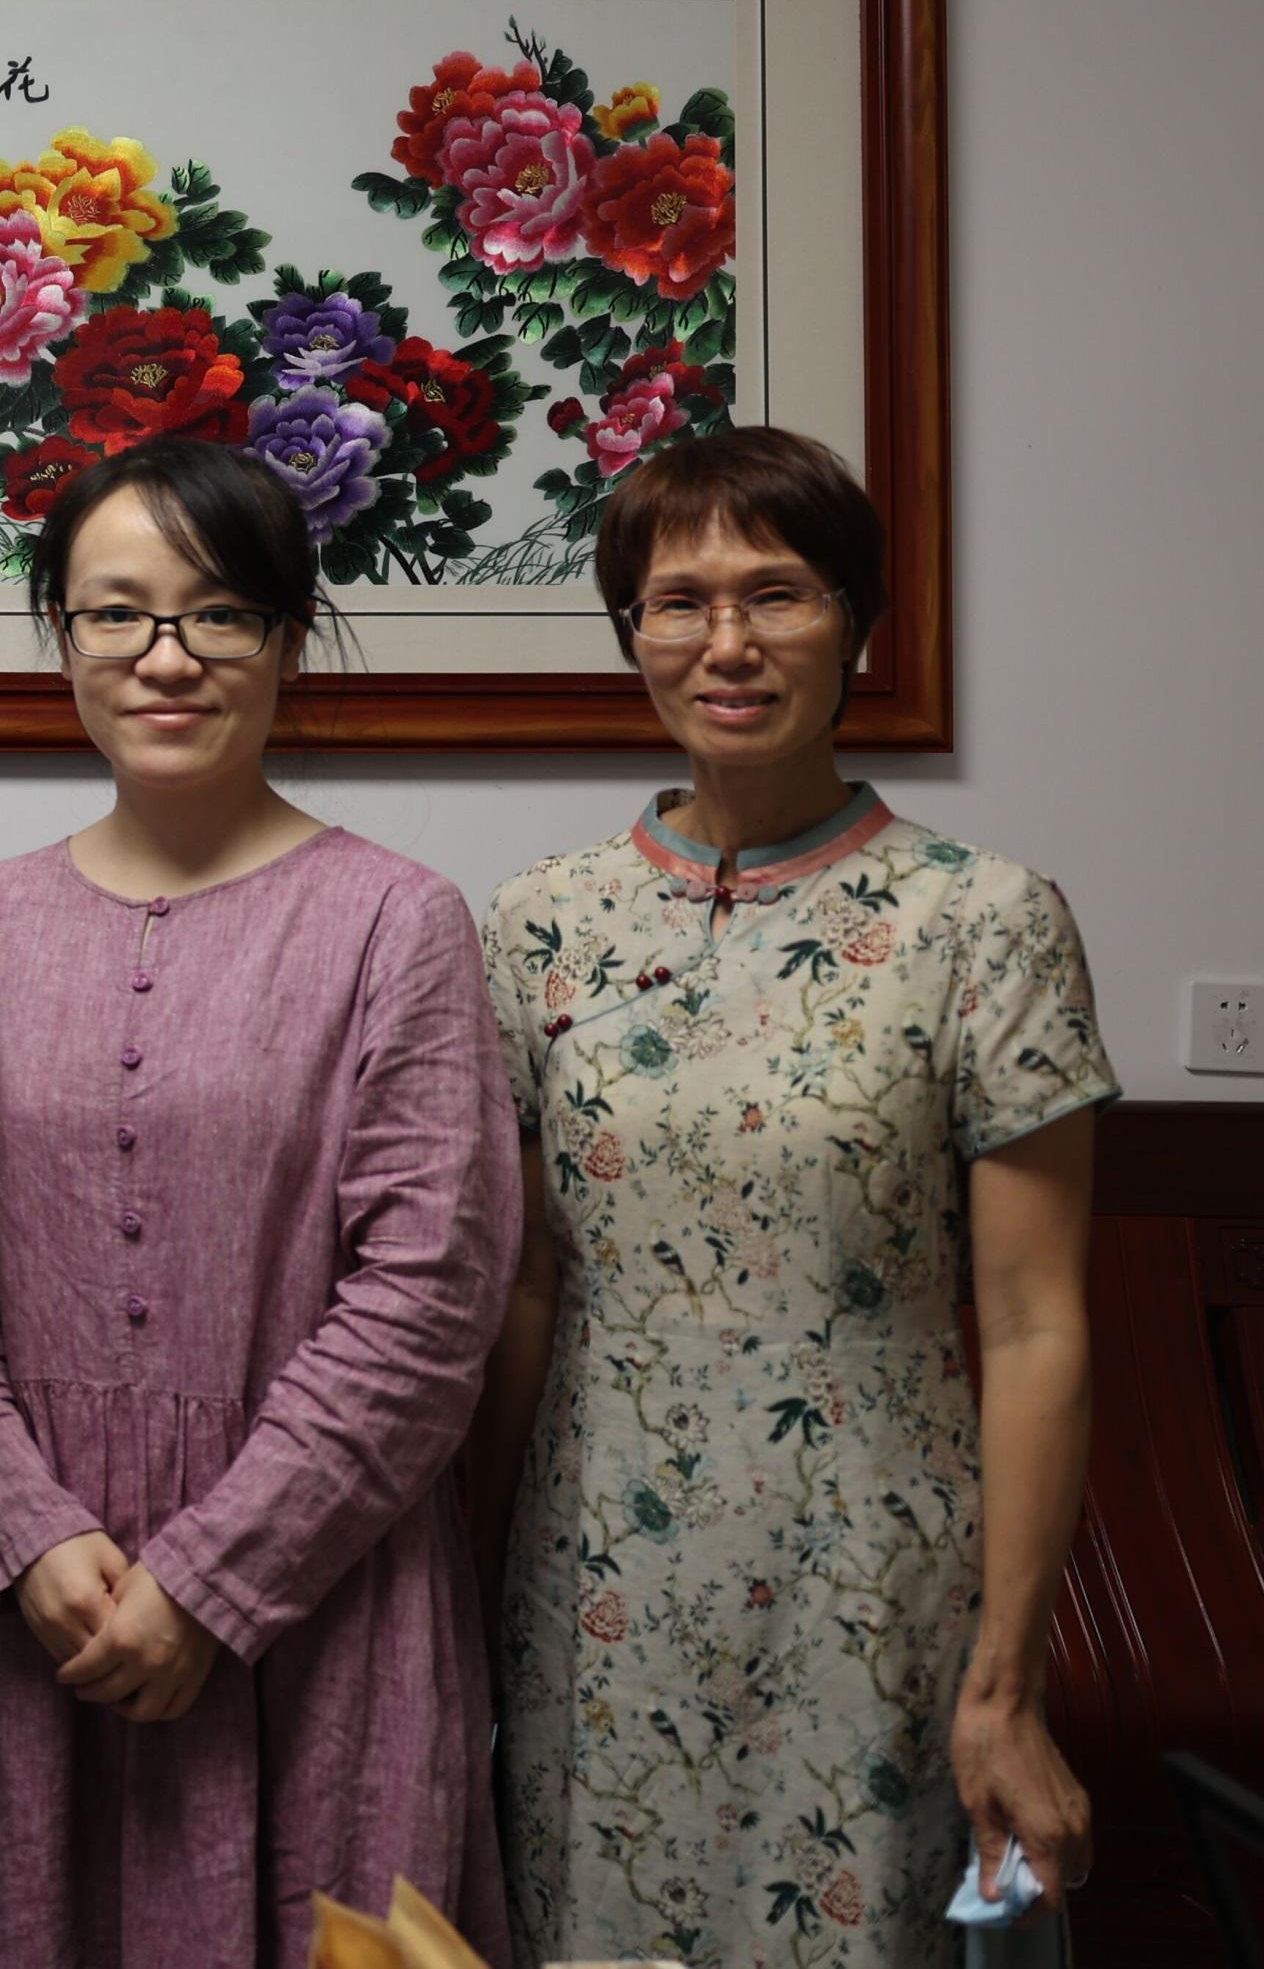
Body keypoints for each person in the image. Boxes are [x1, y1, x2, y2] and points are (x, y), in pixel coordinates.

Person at [0, 434, 522, 1967]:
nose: (165, 657)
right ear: (62, 638)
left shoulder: (398, 922)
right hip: (42, 1610)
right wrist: (28, 1533)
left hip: (325, 1600)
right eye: (116, 612)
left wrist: (218, 1576)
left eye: (219, 612)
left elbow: (429, 1300)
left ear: (290, 639)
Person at [470, 426, 1109, 1964]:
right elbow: (527, 1290)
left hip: (872, 1594)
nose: (729, 642)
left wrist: (1007, 1683)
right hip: (595, 1591)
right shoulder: (539, 923)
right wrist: (459, 1608)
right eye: (679, 602)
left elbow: (1035, 1326)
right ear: (632, 633)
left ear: (857, 621)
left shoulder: (986, 920)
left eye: (778, 593)